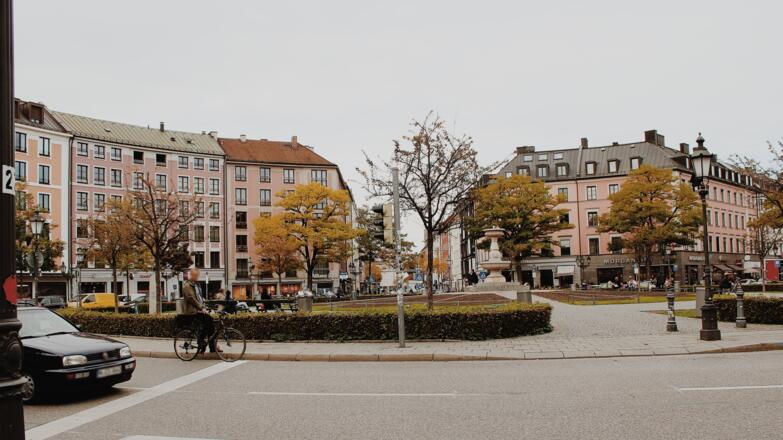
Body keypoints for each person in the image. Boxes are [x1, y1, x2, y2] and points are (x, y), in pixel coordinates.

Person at [179, 268, 217, 353]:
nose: (197, 277)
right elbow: (191, 298)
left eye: (198, 275)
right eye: (196, 275)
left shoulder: (197, 285)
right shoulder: (187, 286)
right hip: (191, 312)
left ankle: (211, 346)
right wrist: (201, 308)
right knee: (208, 321)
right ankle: (202, 342)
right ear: (192, 275)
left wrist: (205, 307)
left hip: (198, 310)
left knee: (210, 325)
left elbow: (199, 298)